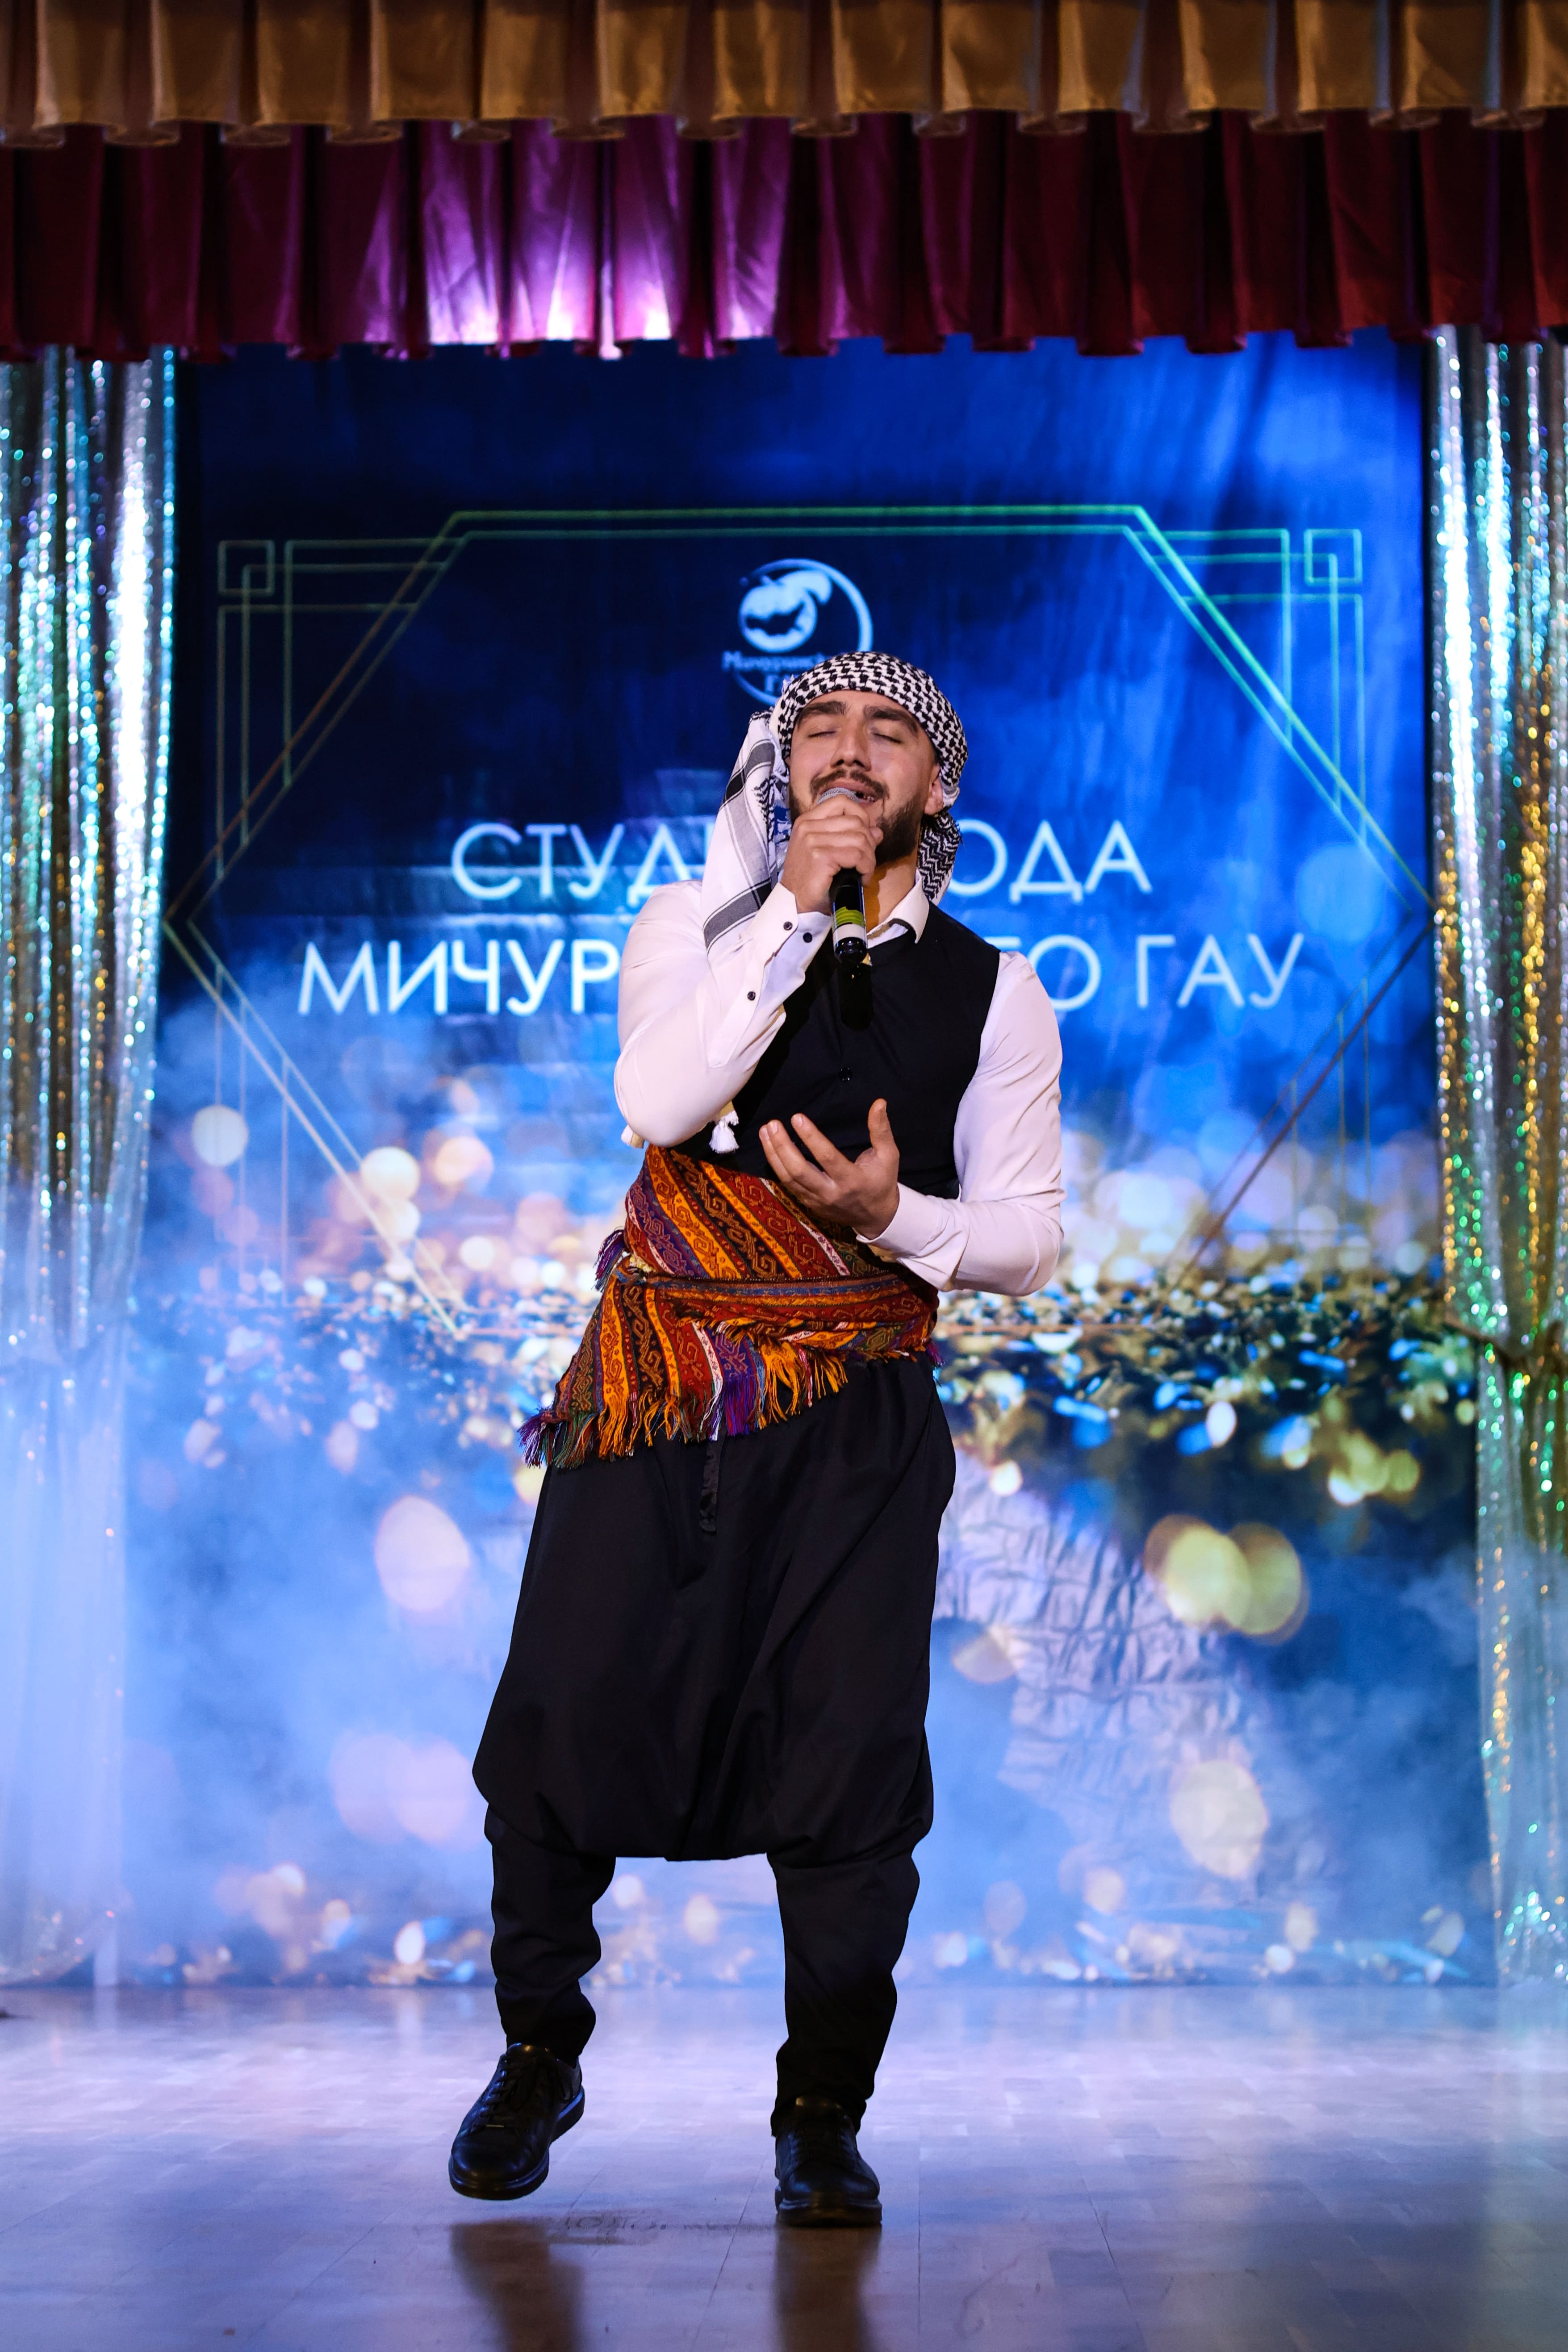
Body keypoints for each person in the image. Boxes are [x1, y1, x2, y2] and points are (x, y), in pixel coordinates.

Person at [449, 652, 1063, 2226]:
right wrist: (791, 918)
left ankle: (821, 2113)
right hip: (658, 1386)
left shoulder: (998, 990)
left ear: (935, 783)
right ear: (784, 773)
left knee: (850, 1761)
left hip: (856, 1419)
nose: (851, 753)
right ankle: (538, 2051)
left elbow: (1027, 1236)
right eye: (821, 730)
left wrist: (895, 1214)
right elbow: (661, 1100)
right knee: (564, 1716)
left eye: (887, 733)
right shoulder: (692, 926)